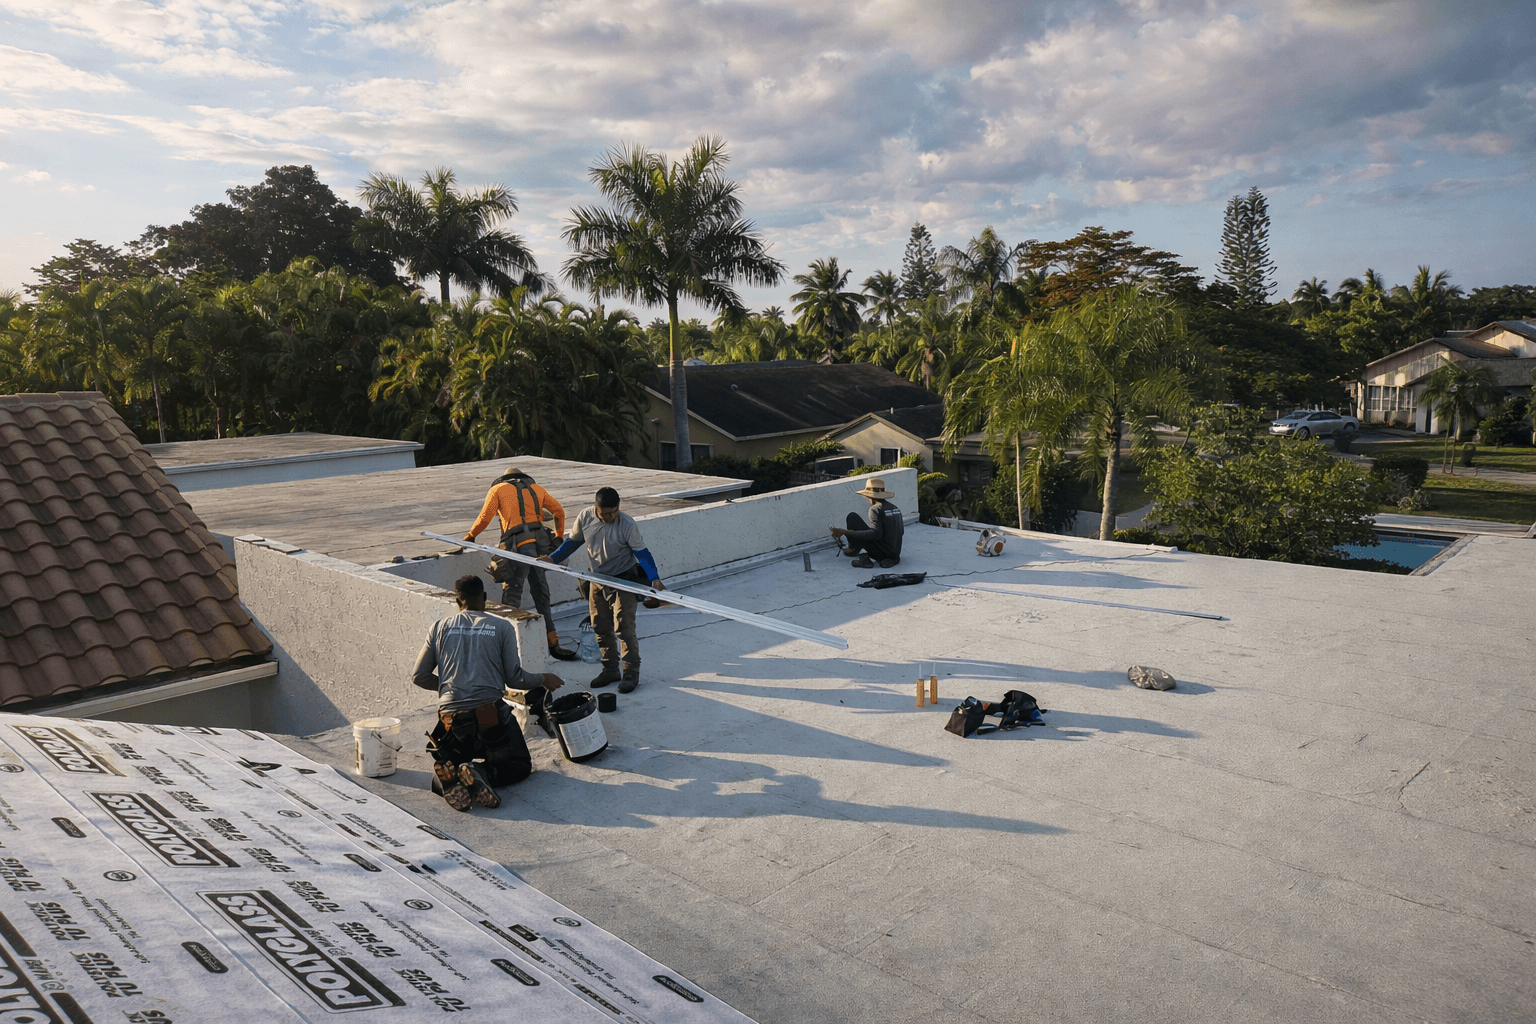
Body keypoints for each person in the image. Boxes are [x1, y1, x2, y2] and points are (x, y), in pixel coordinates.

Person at [412, 574, 565, 812]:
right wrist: (543, 678)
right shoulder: (501, 626)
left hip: (451, 721)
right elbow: (515, 678)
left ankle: (444, 779)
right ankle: (482, 772)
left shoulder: (438, 628)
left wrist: (450, 686)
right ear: (484, 598)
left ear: (457, 601)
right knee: (520, 765)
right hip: (490, 719)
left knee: (456, 758)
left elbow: (419, 676)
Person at [541, 487, 664, 694]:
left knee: (624, 628)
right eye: (606, 513)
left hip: (624, 579)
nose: (611, 516)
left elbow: (642, 553)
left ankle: (630, 672)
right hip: (597, 579)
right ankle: (610, 670)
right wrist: (552, 558)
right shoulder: (585, 517)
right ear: (596, 509)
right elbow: (572, 543)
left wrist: (655, 579)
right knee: (600, 626)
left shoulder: (627, 524)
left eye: (615, 511)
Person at [463, 466, 576, 661]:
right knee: (541, 592)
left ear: (504, 479)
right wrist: (558, 537)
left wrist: (471, 535)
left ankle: (504, 646)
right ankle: (553, 642)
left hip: (517, 547)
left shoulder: (497, 490)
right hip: (540, 547)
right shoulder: (537, 489)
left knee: (512, 595)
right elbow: (558, 511)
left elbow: (485, 517)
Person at [830, 477, 904, 568]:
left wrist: (845, 532)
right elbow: (901, 531)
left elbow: (875, 535)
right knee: (868, 531)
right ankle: (889, 559)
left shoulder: (875, 509)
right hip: (895, 554)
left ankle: (858, 552)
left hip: (882, 554)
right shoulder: (895, 507)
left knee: (852, 518)